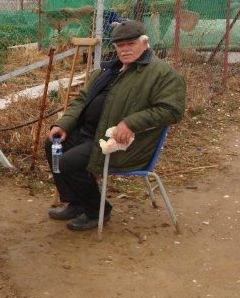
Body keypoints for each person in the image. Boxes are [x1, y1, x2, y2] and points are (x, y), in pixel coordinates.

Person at [45, 20, 186, 230]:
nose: (125, 49)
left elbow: (171, 111)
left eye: (131, 43)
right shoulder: (108, 71)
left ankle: (96, 210)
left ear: (145, 42)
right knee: (53, 146)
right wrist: (64, 124)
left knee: (68, 162)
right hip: (90, 134)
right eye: (120, 45)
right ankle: (76, 201)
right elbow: (82, 100)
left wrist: (130, 122)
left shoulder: (162, 74)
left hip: (120, 143)